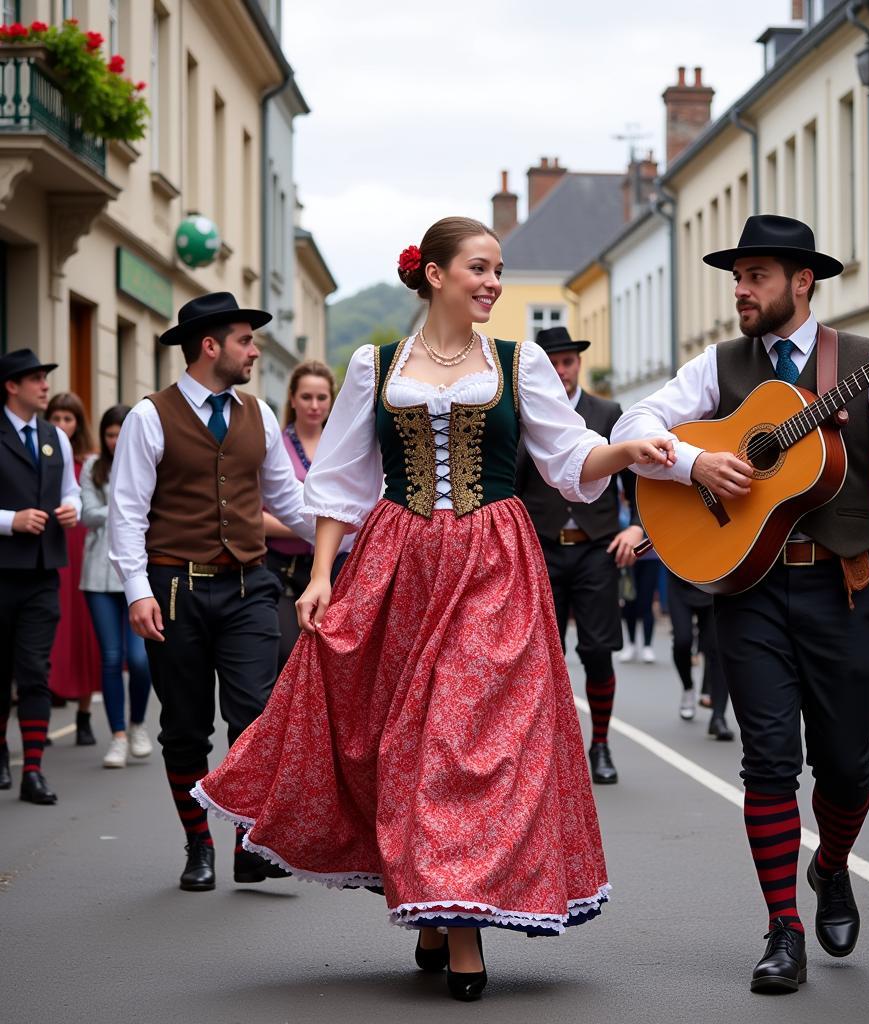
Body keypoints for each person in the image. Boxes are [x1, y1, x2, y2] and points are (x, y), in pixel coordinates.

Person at [192, 217, 675, 1002]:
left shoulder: (518, 366)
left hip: (494, 560)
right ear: (436, 275)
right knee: (402, 738)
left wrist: (626, 451)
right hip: (399, 560)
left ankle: (462, 925)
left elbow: (567, 456)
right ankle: (433, 898)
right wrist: (320, 576)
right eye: (480, 268)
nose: (493, 282)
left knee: (467, 736)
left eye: (499, 270)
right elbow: (343, 481)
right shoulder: (374, 366)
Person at [611, 214, 869, 993]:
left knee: (849, 771)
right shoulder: (717, 365)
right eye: (737, 276)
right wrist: (695, 463)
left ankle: (830, 865)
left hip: (842, 584)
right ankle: (781, 929)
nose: (740, 291)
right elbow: (636, 424)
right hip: (750, 590)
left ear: (802, 282)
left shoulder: (862, 362)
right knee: (767, 764)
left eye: (755, 275)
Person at [107, 291, 315, 892]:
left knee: (254, 718)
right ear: (210, 346)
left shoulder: (259, 414)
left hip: (251, 586)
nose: (254, 351)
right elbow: (127, 514)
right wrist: (136, 591)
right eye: (246, 341)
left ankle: (247, 844)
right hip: (176, 590)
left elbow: (291, 502)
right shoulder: (152, 417)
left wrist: (349, 542)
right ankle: (198, 845)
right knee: (185, 726)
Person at [515, 325, 645, 784]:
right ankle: (546, 754)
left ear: (578, 365)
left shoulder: (607, 412)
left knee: (597, 651)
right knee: (540, 657)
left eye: (566, 361)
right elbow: (510, 485)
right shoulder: (523, 414)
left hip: (597, 549)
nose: (560, 370)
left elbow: (639, 481)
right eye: (551, 363)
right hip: (541, 548)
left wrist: (637, 528)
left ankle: (601, 745)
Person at [0, 349, 82, 804]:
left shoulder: (55, 437)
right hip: (1, 570)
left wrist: (73, 509)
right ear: (12, 386)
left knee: (34, 670)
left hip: (42, 573)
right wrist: (10, 520)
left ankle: (32, 769)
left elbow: (70, 490)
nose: (45, 385)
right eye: (36, 378)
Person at [80, 404, 154, 768]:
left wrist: (129, 506)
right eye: (110, 434)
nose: (115, 440)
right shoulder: (93, 468)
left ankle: (138, 723)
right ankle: (118, 736)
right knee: (111, 658)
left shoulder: (148, 461)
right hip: (98, 577)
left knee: (140, 660)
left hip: (136, 578)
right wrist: (126, 505)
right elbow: (86, 514)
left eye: (120, 432)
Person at [263, 360, 347, 671]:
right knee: (286, 655)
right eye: (306, 397)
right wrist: (319, 527)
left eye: (321, 398)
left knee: (327, 661)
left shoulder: (342, 446)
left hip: (334, 570)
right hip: (282, 570)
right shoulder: (276, 446)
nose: (314, 405)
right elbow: (255, 517)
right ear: (292, 398)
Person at [46, 391, 101, 745]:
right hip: (51, 550)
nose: (62, 426)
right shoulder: (41, 455)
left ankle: (84, 714)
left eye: (69, 419)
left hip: (83, 552)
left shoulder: (92, 463)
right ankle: (43, 706)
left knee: (85, 632)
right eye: (56, 419)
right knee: (51, 631)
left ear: (79, 423)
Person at [668, 577, 734, 739]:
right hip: (680, 581)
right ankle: (688, 687)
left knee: (717, 647)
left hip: (715, 581)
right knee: (682, 641)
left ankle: (718, 717)